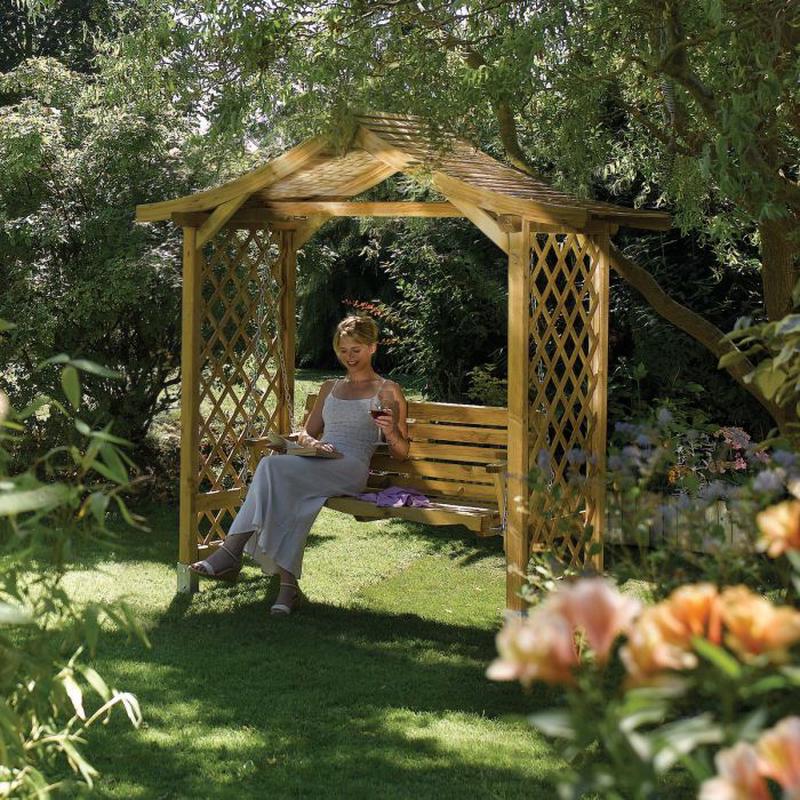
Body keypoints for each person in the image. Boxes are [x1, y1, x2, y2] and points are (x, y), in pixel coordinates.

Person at [190, 315, 410, 614]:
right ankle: (287, 588)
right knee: (289, 492)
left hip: (352, 467)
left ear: (372, 347)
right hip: (321, 462)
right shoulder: (330, 387)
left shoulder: (386, 390)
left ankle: (230, 552)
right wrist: (313, 444)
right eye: (343, 351)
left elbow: (402, 452)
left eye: (356, 350)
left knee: (271, 468)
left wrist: (391, 431)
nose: (349, 357)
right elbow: (308, 432)